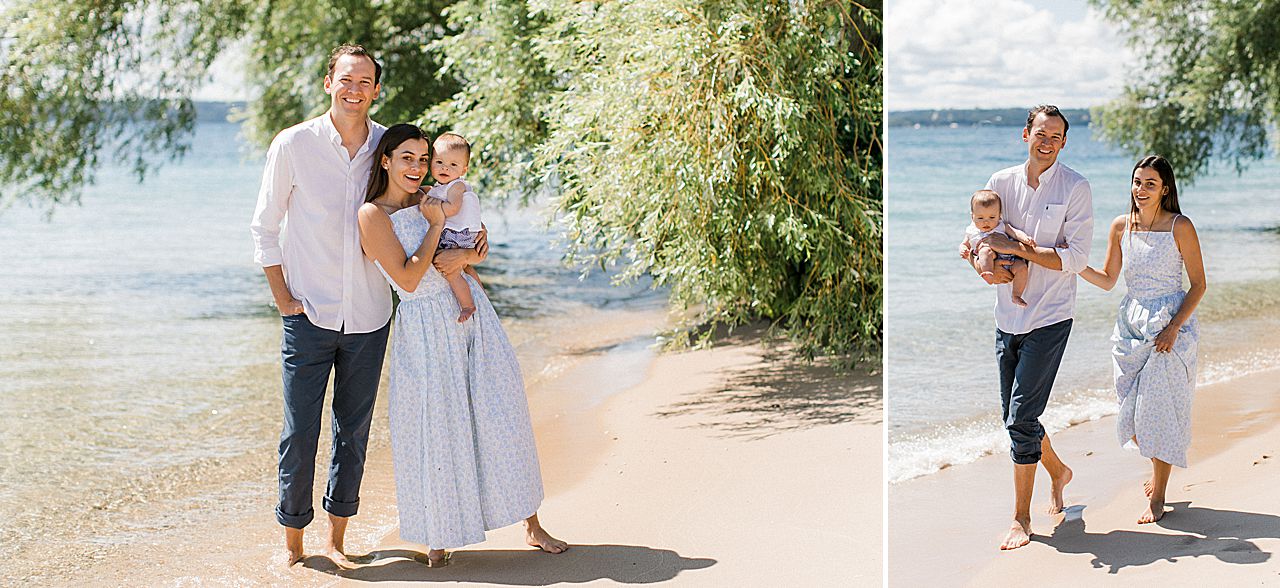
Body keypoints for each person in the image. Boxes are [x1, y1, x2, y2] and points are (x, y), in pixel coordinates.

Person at [356, 124, 568, 567]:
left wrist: (470, 254)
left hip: (472, 316)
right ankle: (439, 536)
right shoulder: (372, 215)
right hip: (427, 328)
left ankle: (531, 523)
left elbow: (474, 243)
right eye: (407, 158)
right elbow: (410, 280)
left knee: (501, 412)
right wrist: (436, 229)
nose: (417, 167)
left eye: (422, 158)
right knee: (439, 428)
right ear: (385, 161)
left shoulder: (435, 197)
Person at [249, 44, 392, 568]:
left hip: (370, 314)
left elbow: (426, 200)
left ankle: (338, 539)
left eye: (366, 82)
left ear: (376, 89)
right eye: (346, 80)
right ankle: (293, 545)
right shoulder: (293, 144)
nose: (355, 90)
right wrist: (283, 298)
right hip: (307, 315)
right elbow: (264, 226)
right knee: (299, 432)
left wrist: (469, 234)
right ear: (328, 82)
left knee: (353, 431)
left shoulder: (388, 146)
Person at [964, 105, 1093, 550]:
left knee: (1020, 418)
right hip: (1007, 316)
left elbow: (1075, 259)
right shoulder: (999, 183)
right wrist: (982, 263)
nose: (1048, 141)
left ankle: (1021, 518)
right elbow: (979, 234)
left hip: (1051, 316)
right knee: (1016, 417)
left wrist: (1024, 250)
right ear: (1026, 134)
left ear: (1064, 142)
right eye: (1041, 133)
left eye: (1056, 136)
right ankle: (1058, 471)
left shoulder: (1076, 187)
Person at [1077, 155, 1205, 524]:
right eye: (1137, 182)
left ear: (1165, 188)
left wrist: (1174, 327)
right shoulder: (1121, 226)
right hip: (1131, 325)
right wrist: (1072, 264)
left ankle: (1159, 494)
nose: (1141, 189)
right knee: (1131, 410)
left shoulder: (1180, 226)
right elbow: (1106, 279)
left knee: (1159, 408)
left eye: (1150, 183)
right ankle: (1156, 470)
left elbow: (1199, 285)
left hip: (1170, 326)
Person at [422, 132, 484, 323]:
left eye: (453, 165)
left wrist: (431, 209)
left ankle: (468, 305)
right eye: (439, 162)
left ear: (464, 170)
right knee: (464, 267)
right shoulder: (440, 187)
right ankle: (480, 294)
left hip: (458, 234)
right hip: (459, 232)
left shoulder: (456, 186)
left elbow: (453, 207)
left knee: (450, 270)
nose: (445, 168)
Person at [961, 189, 1037, 306]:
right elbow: (964, 244)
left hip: (1010, 259)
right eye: (980, 218)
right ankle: (988, 273)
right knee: (985, 251)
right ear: (972, 217)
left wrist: (1025, 238)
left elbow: (1015, 233)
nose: (986, 222)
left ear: (999, 215)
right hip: (991, 258)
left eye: (992, 217)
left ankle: (1016, 294)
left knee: (1022, 268)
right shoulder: (971, 231)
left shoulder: (1001, 226)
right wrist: (963, 250)